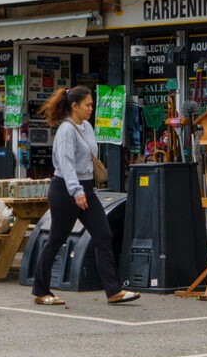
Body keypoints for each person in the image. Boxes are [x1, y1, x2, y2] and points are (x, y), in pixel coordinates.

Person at [31, 85, 139, 307]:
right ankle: (41, 291)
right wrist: (76, 191)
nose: (91, 108)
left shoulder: (87, 127)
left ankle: (114, 290)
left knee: (103, 235)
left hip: (87, 188)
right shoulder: (65, 131)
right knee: (57, 239)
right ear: (74, 106)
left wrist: (85, 190)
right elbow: (67, 163)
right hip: (66, 190)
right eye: (87, 105)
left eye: (92, 104)